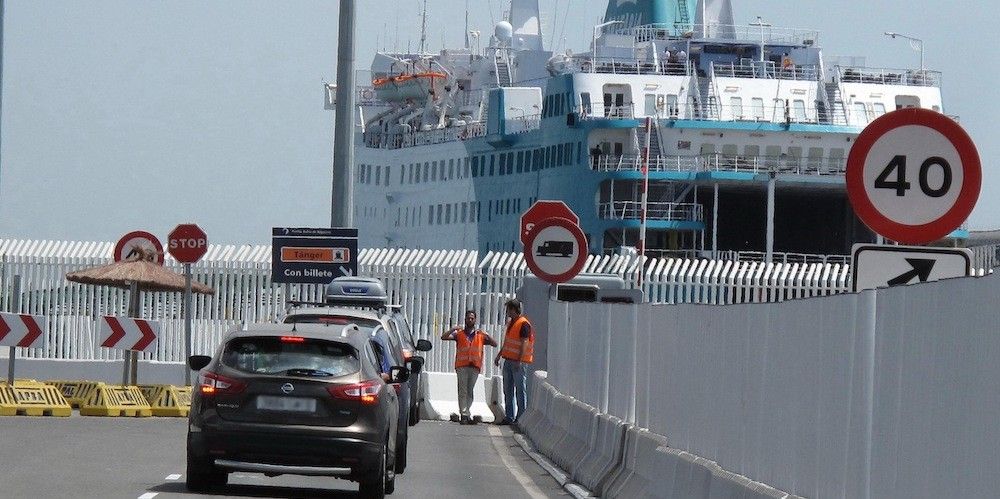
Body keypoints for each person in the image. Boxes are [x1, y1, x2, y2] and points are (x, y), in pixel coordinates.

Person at [441, 309, 497, 425]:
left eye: (472, 318)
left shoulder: (480, 335)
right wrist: (452, 329)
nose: (470, 320)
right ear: (465, 319)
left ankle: (467, 411)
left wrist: (486, 334)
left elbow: (494, 343)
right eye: (468, 318)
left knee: (469, 390)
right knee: (462, 390)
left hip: (474, 366)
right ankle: (464, 414)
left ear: (475, 320)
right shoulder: (459, 334)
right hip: (462, 366)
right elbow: (444, 337)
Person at [493, 298, 534, 425]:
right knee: (508, 390)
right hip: (508, 360)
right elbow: (508, 342)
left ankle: (521, 417)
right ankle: (509, 416)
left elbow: (524, 343)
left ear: (514, 309)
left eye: (508, 310)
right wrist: (499, 355)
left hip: (518, 362)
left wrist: (519, 360)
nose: (507, 312)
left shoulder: (524, 324)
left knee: (520, 390)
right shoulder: (511, 323)